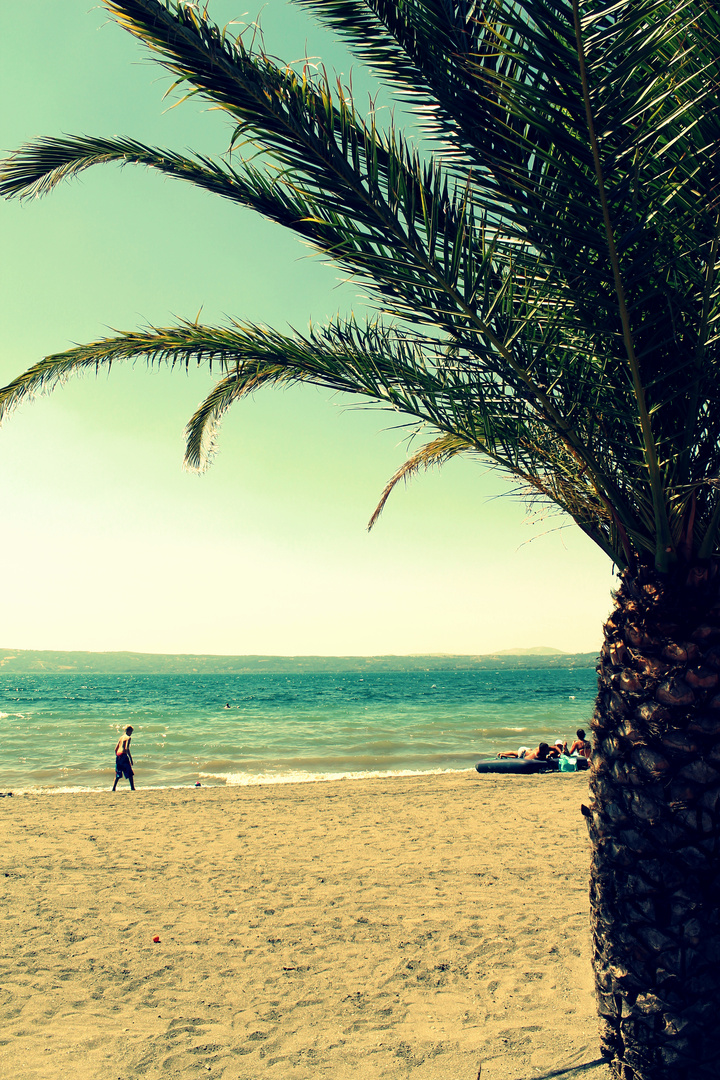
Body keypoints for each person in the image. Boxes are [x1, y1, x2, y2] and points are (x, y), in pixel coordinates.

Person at [113, 726, 135, 791]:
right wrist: (131, 758)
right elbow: (126, 748)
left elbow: (115, 749)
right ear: (129, 731)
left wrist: (117, 757)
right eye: (131, 732)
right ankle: (132, 788)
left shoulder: (121, 738)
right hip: (123, 755)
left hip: (118, 755)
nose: (131, 733)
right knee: (129, 773)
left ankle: (113, 788)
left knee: (118, 773)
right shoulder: (128, 737)